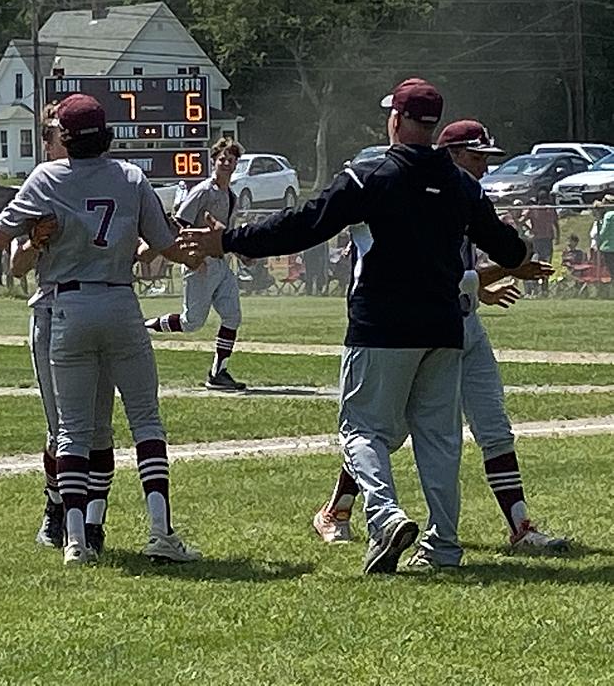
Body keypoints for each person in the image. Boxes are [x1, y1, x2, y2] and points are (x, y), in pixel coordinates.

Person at [179, 79, 528, 573]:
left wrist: (230, 241)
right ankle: (444, 547)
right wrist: (519, 254)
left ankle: (384, 517)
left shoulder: (370, 177)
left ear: (398, 120)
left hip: (381, 326)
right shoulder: (462, 185)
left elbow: (304, 224)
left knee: (361, 429)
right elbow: (510, 249)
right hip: (444, 328)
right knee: (440, 440)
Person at [313, 119, 567, 555]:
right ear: (449, 154)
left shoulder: (462, 194)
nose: (483, 169)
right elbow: (435, 275)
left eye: (487, 160)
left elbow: (461, 270)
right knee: (385, 429)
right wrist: (501, 269)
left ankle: (520, 526)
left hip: (462, 326)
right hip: (424, 326)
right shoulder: (420, 194)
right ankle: (339, 509)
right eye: (475, 158)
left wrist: (480, 285)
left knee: (494, 428)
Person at [0, 93, 202, 567]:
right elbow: (165, 242)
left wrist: (36, 232)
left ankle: (74, 541)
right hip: (119, 299)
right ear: (107, 132)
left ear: (63, 137)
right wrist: (198, 251)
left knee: (72, 430)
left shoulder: (47, 177)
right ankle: (159, 531)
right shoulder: (130, 176)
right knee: (145, 419)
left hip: (66, 303)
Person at [8, 103, 117, 554]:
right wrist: (37, 240)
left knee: (98, 425)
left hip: (102, 306)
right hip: (53, 309)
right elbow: (15, 264)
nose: (59, 143)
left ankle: (93, 521)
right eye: (54, 135)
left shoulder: (108, 178)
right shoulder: (39, 186)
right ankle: (57, 508)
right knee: (62, 428)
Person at [145, 138, 247, 391]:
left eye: (230, 160)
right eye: (221, 159)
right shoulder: (203, 190)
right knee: (192, 322)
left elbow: (225, 234)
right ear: (213, 161)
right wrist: (191, 257)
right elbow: (179, 223)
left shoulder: (231, 196)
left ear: (236, 165)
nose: (225, 163)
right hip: (200, 262)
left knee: (232, 316)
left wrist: (243, 253)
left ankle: (218, 372)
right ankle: (142, 327)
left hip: (221, 264)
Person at [521, 197, 559, 296]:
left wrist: (557, 237)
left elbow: (556, 224)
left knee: (546, 265)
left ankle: (544, 289)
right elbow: (521, 221)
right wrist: (529, 229)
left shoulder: (549, 210)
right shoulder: (534, 210)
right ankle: (536, 289)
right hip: (538, 241)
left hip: (546, 240)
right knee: (537, 263)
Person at [596, 194, 614, 293]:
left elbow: (604, 231)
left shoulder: (608, 215)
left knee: (612, 270)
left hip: (609, 247)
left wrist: (599, 240)